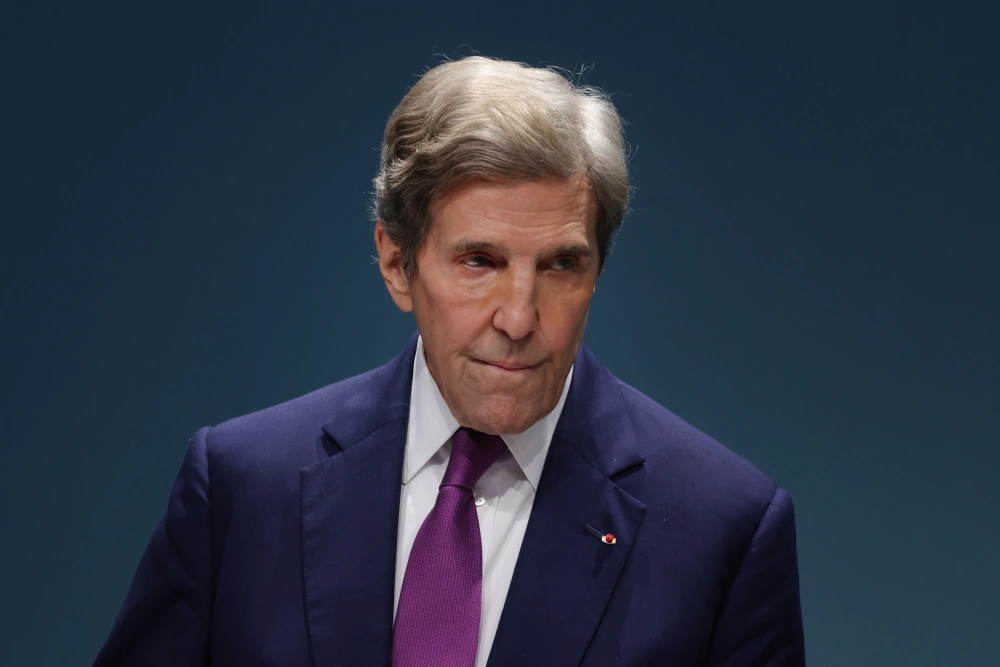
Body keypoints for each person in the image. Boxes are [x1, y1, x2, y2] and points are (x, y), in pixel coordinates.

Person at [93, 55, 805, 667]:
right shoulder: (243, 490)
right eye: (479, 261)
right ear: (396, 263)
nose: (520, 318)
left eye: (561, 265)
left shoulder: (724, 529)